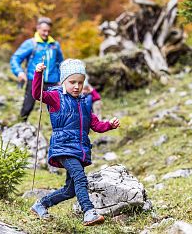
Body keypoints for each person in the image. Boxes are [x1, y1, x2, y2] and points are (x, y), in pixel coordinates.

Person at [30, 59, 120, 226]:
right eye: (72, 82)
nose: (77, 86)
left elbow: (96, 125)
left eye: (80, 82)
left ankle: (40, 205)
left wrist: (109, 125)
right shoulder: (56, 97)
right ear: (64, 81)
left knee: (69, 190)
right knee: (80, 178)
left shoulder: (85, 104)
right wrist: (38, 74)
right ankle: (89, 212)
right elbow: (37, 94)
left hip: (79, 149)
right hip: (63, 147)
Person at [10, 17, 64, 121]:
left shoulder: (55, 45)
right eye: (44, 31)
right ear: (37, 28)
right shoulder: (30, 44)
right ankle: (20, 126)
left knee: (59, 108)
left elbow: (61, 63)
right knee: (27, 106)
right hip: (34, 80)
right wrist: (19, 72)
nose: (46, 33)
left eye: (48, 31)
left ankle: (60, 130)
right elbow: (15, 58)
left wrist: (63, 79)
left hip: (52, 81)